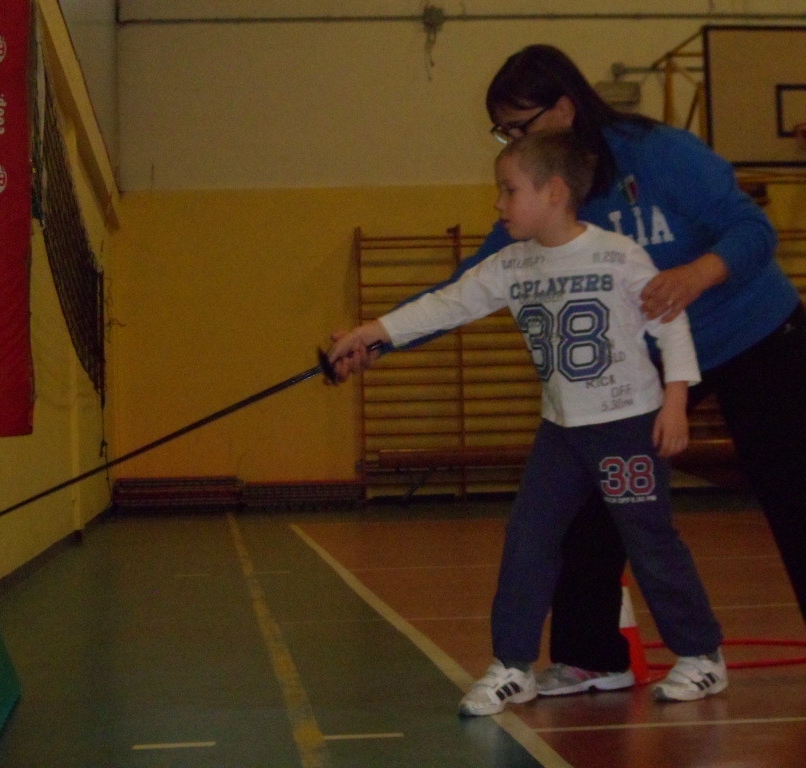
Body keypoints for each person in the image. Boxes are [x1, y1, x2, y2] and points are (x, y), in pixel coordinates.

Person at [331, 44, 806, 698]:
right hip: (648, 360)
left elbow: (751, 232)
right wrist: (377, 340)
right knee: (587, 497)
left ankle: (694, 647)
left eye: (518, 127)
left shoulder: (661, 153)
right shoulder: (542, 200)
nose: (510, 142)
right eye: (503, 133)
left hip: (752, 331)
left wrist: (695, 276)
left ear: (562, 107)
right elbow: (465, 289)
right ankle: (591, 656)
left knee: (793, 487)